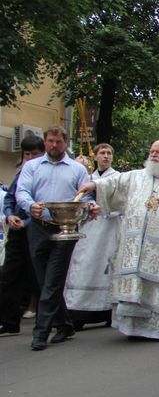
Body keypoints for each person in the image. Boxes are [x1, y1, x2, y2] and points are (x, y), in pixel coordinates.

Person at [76, 141, 159, 340]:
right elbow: (114, 183)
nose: (153, 155)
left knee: (155, 288)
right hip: (134, 243)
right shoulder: (137, 176)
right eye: (151, 151)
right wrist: (93, 184)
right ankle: (131, 328)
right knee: (134, 283)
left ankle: (156, 329)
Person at [15, 126, 91, 350]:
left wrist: (92, 207)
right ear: (45, 142)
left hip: (65, 227)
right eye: (50, 141)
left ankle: (41, 332)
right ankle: (65, 324)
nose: (54, 145)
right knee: (43, 280)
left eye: (58, 141)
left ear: (65, 143)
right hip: (38, 226)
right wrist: (31, 206)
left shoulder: (77, 169)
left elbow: (86, 195)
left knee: (52, 280)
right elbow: (22, 191)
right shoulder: (32, 166)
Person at [64, 143, 120, 330]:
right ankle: (79, 312)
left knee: (107, 267)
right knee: (84, 265)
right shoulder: (87, 178)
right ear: (95, 157)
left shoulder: (118, 178)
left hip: (110, 228)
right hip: (89, 228)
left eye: (109, 153)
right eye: (102, 153)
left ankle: (108, 311)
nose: (106, 156)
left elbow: (120, 202)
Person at [0, 134, 44, 336]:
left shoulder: (43, 174)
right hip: (17, 230)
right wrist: (9, 216)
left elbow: (44, 205)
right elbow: (10, 198)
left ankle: (47, 321)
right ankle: (8, 321)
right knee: (10, 274)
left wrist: (25, 221)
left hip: (37, 229)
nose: (30, 158)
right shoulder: (20, 174)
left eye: (35, 154)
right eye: (27, 154)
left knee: (39, 277)